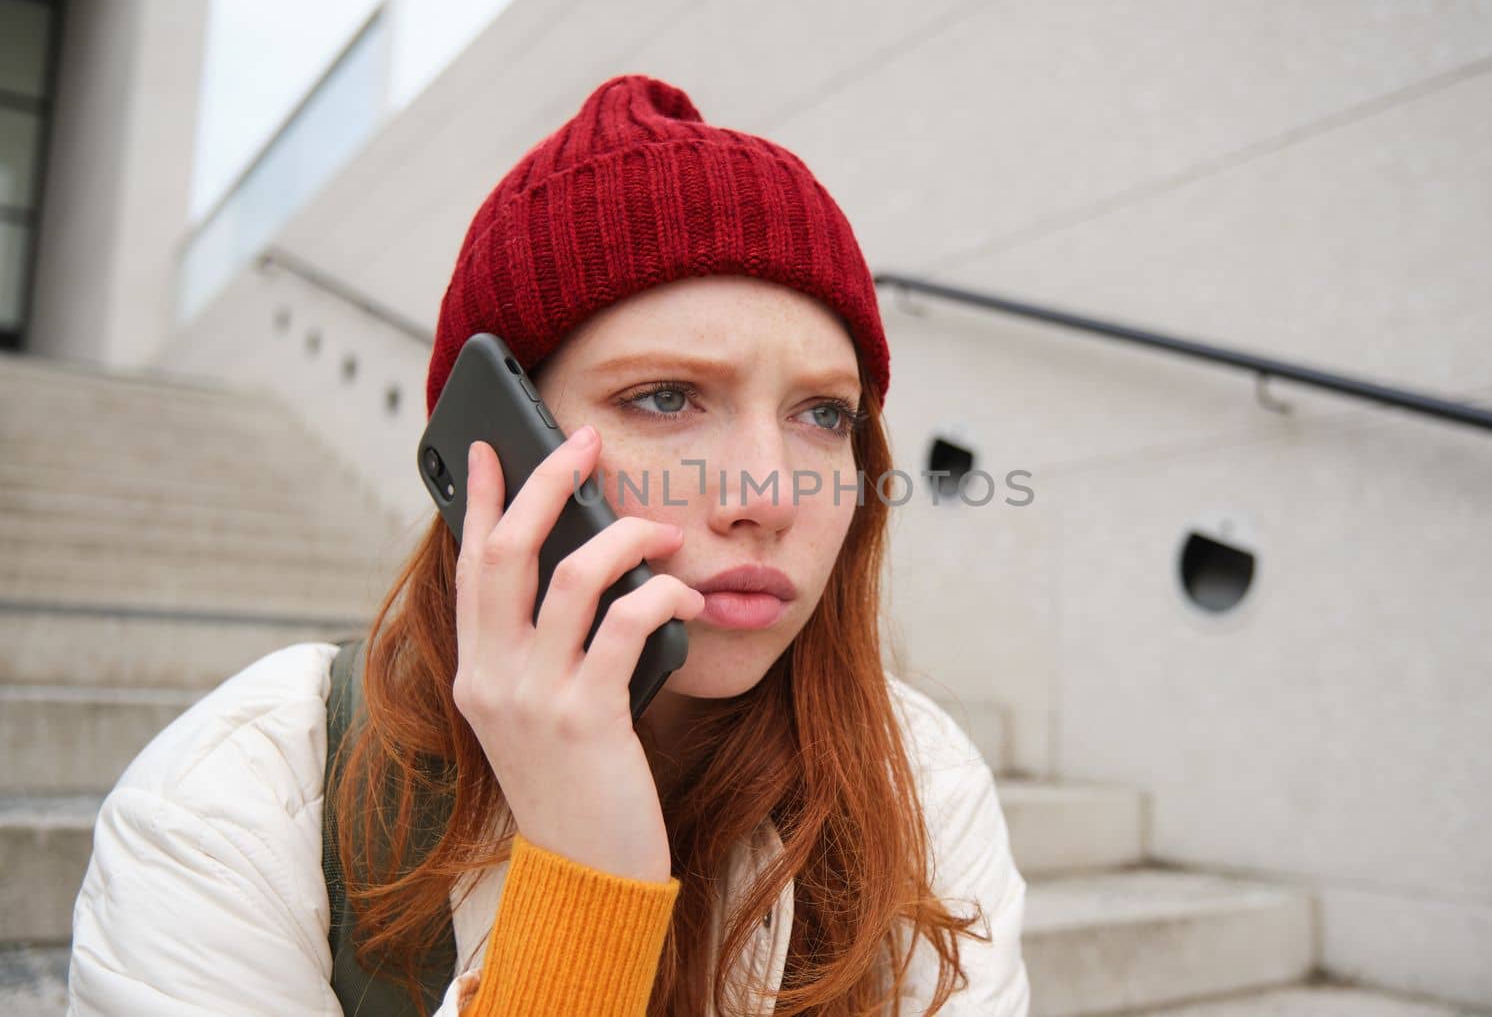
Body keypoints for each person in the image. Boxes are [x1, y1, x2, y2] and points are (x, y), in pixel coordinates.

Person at [67, 73, 1029, 1016]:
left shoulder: (923, 783)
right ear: (498, 445)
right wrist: (582, 886)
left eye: (824, 413)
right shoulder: (239, 797)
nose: (769, 496)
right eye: (666, 397)